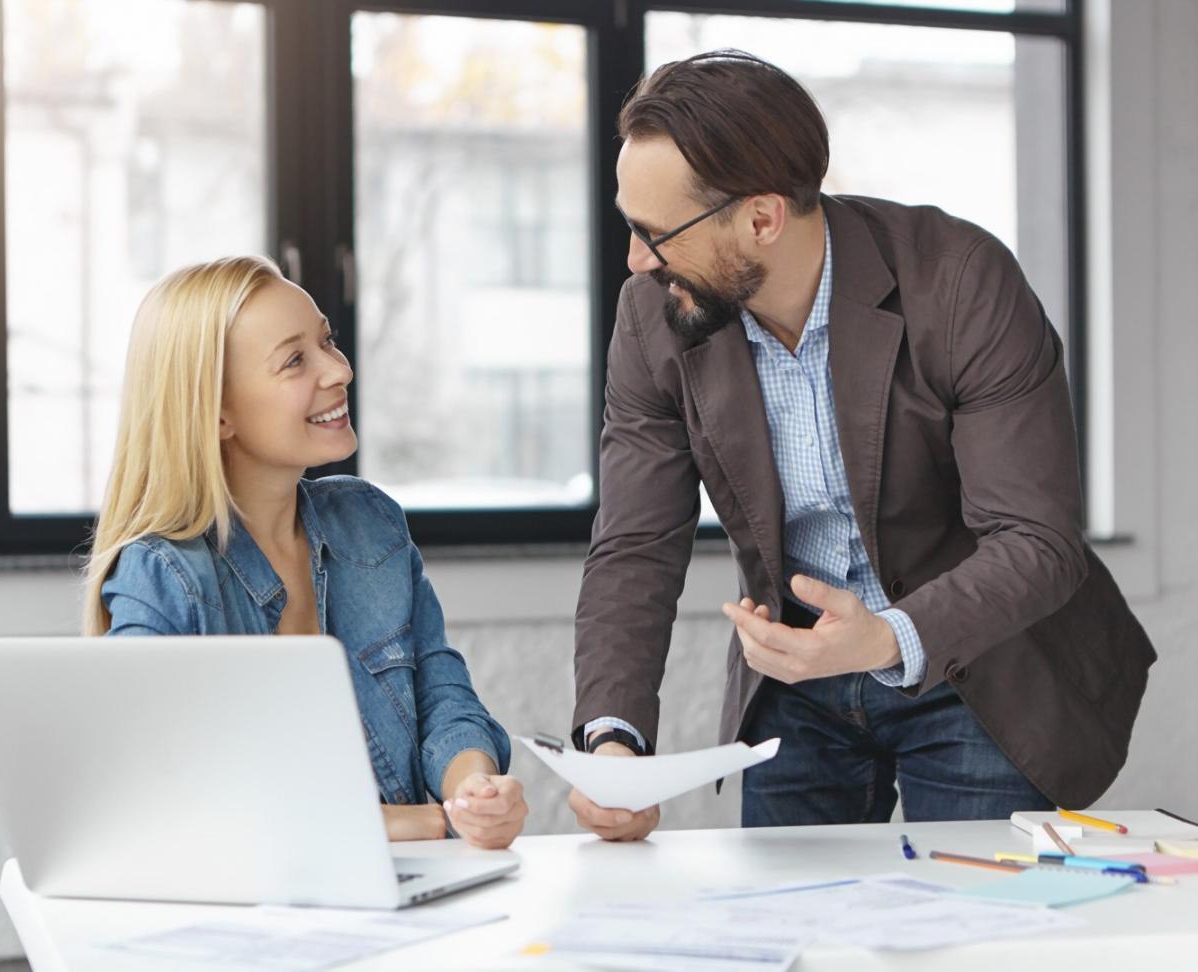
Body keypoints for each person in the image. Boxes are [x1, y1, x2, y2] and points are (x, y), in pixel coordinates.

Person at [569, 50, 1154, 840]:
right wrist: (614, 741)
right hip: (796, 687)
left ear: (762, 218)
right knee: (794, 939)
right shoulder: (653, 316)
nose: (637, 261)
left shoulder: (960, 281)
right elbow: (636, 543)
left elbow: (1037, 539)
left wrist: (884, 637)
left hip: (972, 665)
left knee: (971, 940)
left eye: (656, 233)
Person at [82, 256, 528, 849]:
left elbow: (442, 696)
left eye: (327, 341)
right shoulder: (162, 575)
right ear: (216, 411)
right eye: (295, 360)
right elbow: (157, 796)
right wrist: (393, 824)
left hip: (403, 891)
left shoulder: (370, 523)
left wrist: (473, 792)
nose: (338, 370)